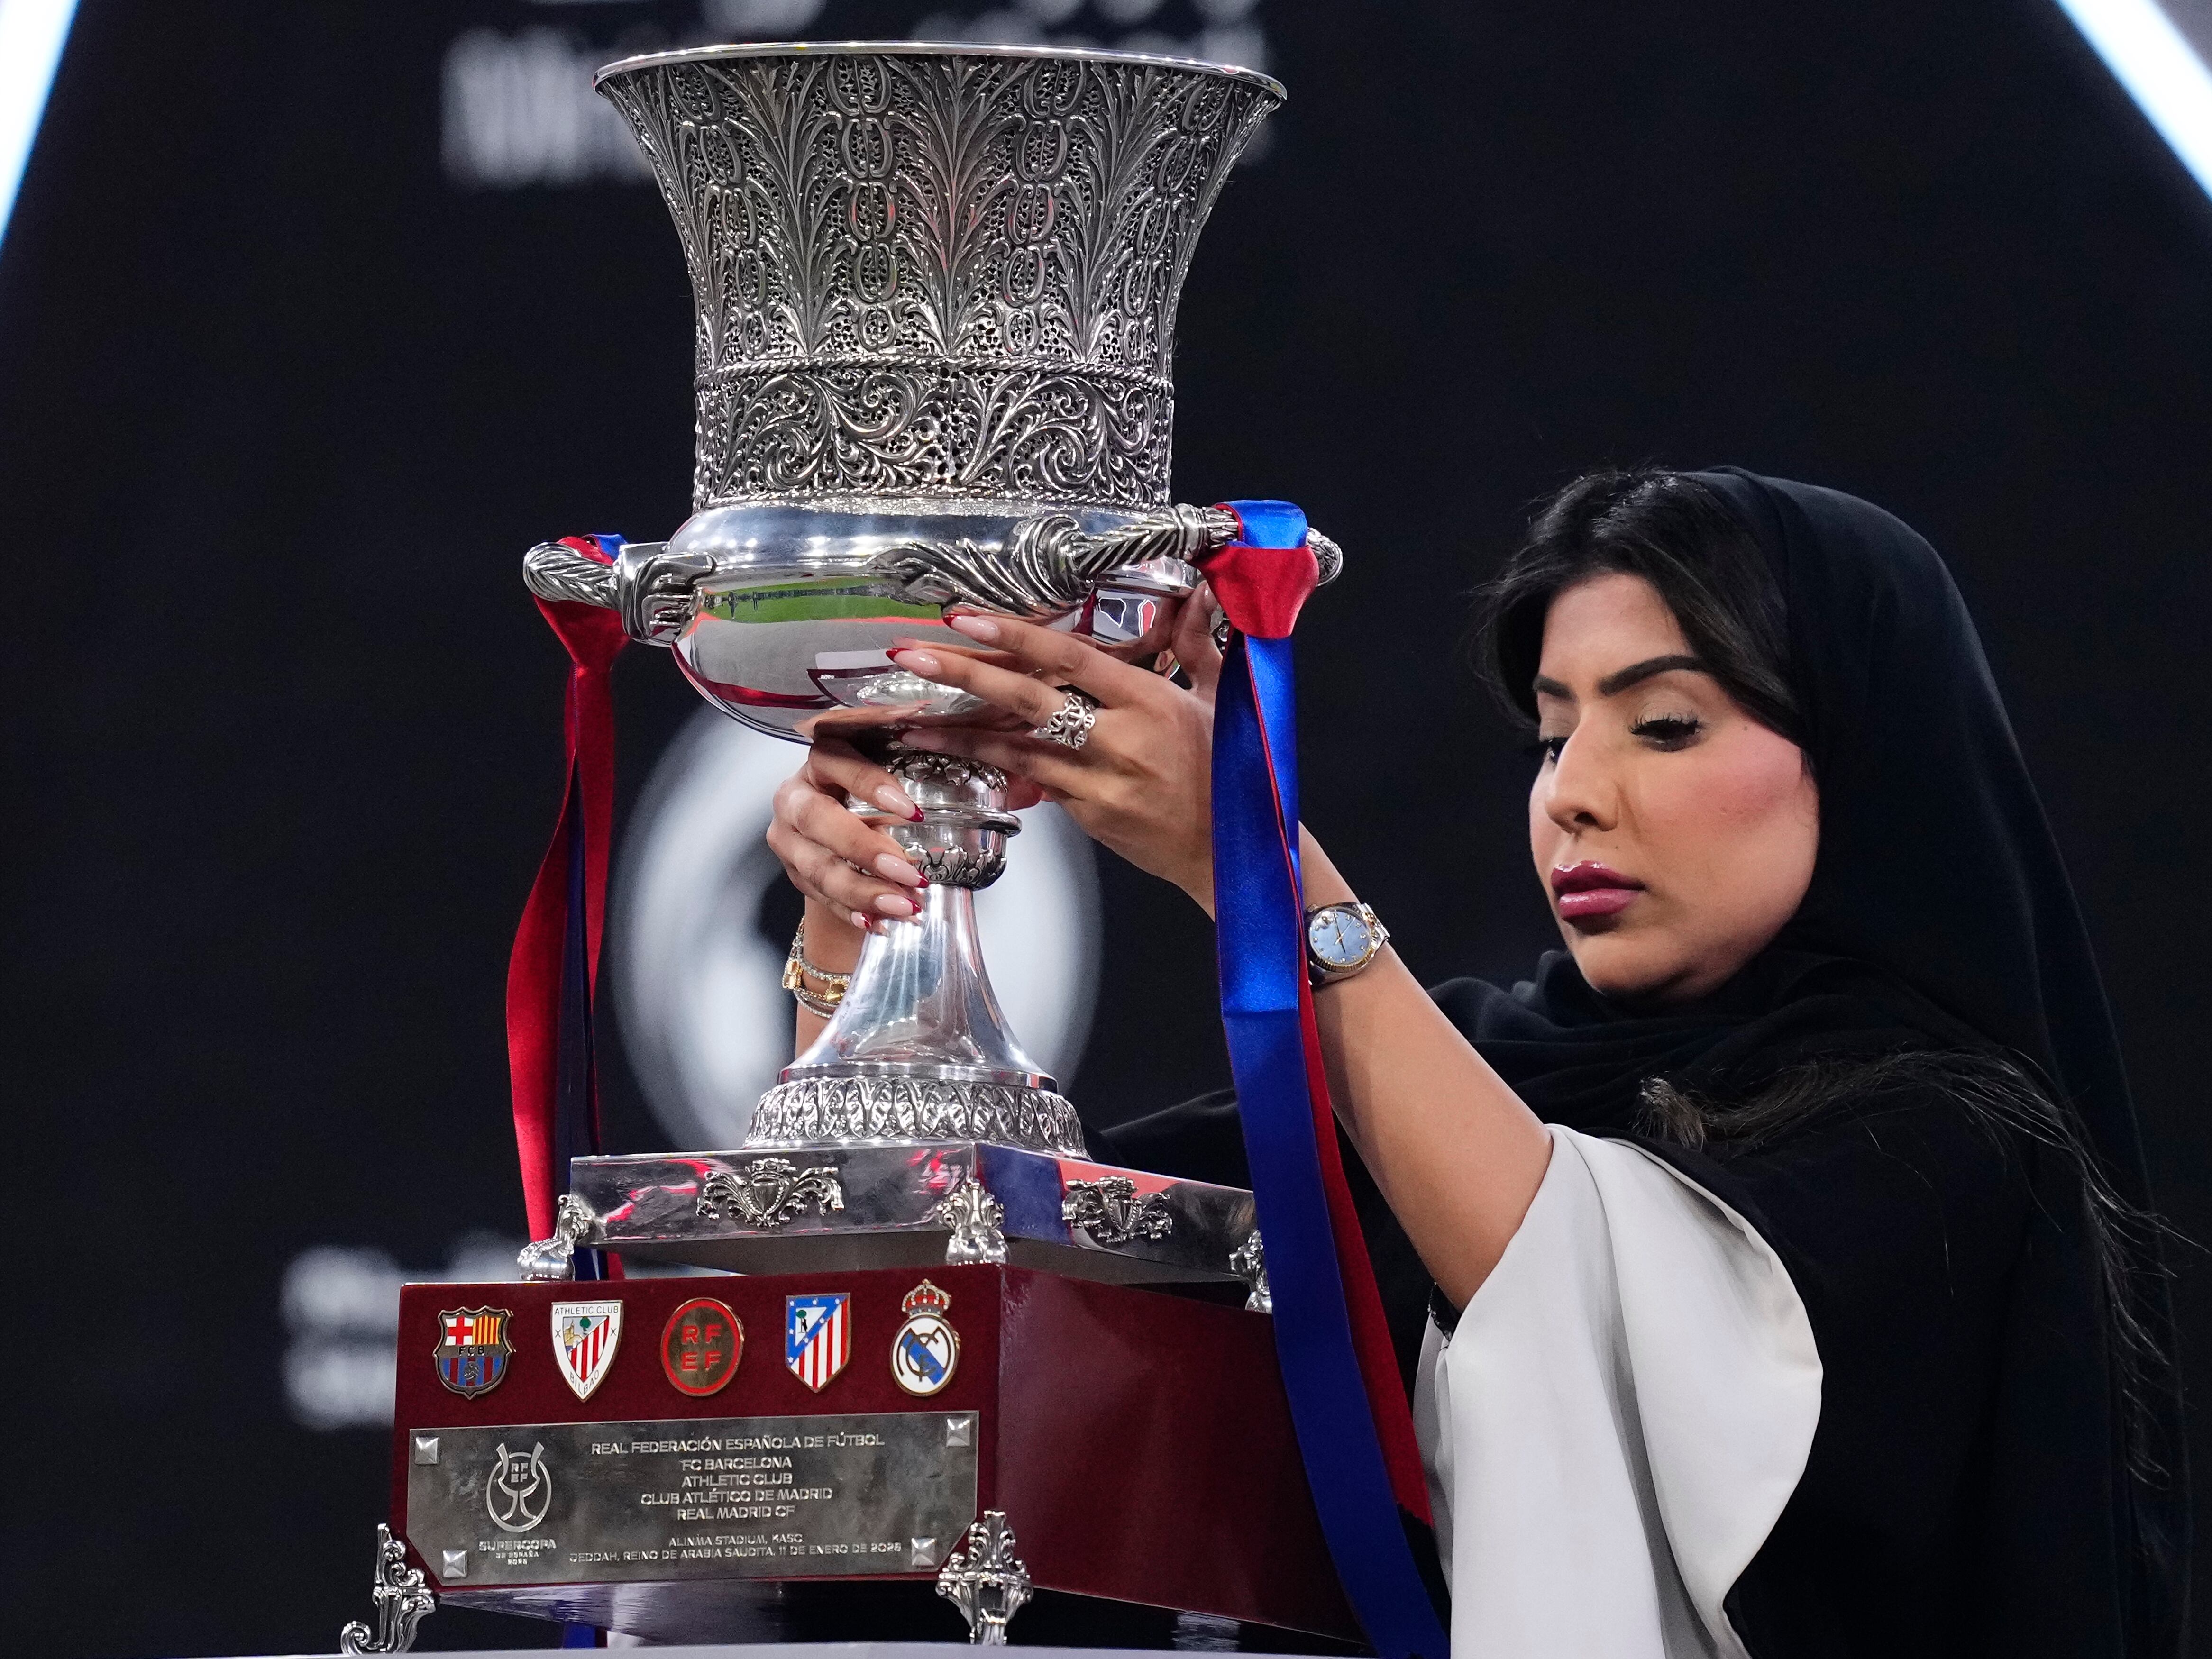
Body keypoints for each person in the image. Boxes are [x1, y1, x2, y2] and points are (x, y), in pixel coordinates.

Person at [763, 467, 2188, 1658]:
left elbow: (1609, 1306)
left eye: (1665, 722)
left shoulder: (1955, 1150)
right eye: (1551, 732)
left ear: (1867, 756)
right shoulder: (1473, 1072)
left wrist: (1266, 878)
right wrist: (869, 922)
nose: (1572, 791)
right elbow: (975, 1287)